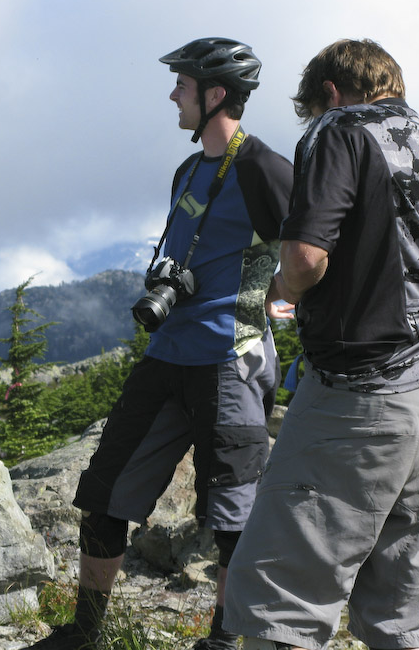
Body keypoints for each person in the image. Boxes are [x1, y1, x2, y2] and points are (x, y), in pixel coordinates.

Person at [224, 39, 419, 650]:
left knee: (280, 601)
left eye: (313, 110)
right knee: (406, 614)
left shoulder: (340, 130)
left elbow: (305, 258)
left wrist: (282, 288)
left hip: (355, 401)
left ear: (331, 93)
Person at [24, 38, 294, 650]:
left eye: (183, 85)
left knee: (233, 511)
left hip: (229, 358)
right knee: (105, 490)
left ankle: (224, 640)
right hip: (167, 352)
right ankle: (85, 632)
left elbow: (312, 251)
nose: (173, 95)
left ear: (215, 94)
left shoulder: (264, 168)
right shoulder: (189, 169)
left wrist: (277, 296)